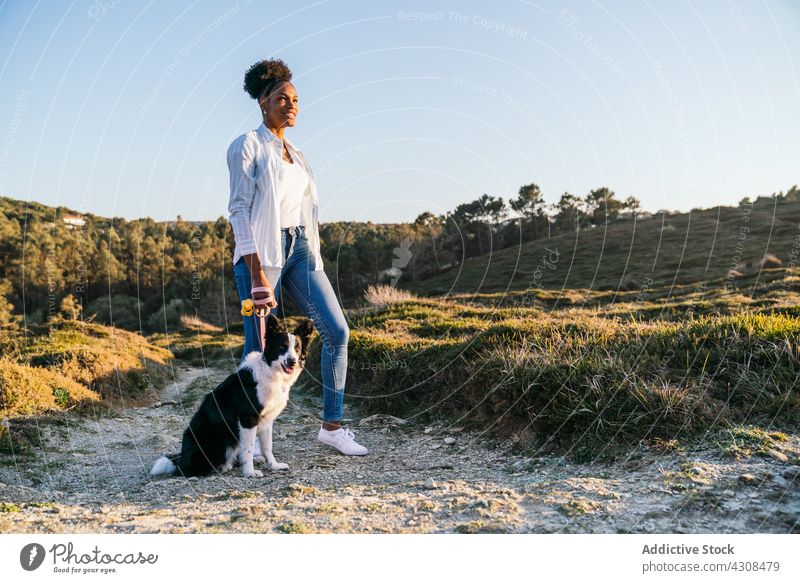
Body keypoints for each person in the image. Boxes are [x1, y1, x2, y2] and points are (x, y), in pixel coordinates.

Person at [227, 58, 367, 456]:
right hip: (261, 254)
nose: (291, 105)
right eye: (281, 98)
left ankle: (332, 427)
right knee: (256, 350)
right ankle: (249, 437)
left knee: (337, 332)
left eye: (295, 99)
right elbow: (238, 211)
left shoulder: (298, 154)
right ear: (263, 102)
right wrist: (256, 277)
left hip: (301, 249)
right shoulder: (247, 145)